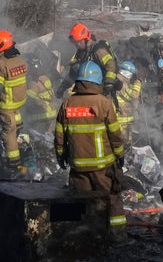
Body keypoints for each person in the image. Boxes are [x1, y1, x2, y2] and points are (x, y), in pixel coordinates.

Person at [54, 60, 127, 241]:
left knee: (81, 203)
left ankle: (84, 239)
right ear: (98, 81)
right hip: (103, 168)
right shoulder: (104, 103)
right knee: (111, 200)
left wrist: (61, 156)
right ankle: (117, 237)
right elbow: (115, 134)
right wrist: (120, 155)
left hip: (78, 167)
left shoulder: (67, 104)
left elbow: (59, 135)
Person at [0, 30, 28, 170]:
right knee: (15, 127)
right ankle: (19, 137)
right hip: (19, 103)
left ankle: (13, 163)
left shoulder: (0, 65)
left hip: (7, 106)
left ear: (0, 47)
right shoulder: (20, 61)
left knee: (8, 133)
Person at [65, 22, 118, 96]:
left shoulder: (98, 50)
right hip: (89, 86)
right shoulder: (81, 52)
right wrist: (63, 86)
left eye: (79, 42)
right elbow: (74, 72)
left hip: (103, 85)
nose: (77, 45)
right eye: (75, 42)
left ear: (86, 39)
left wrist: (108, 83)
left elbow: (111, 65)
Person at [114, 60, 143, 141]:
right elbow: (134, 95)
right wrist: (137, 84)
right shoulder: (120, 82)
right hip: (121, 118)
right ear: (127, 73)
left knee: (128, 138)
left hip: (125, 118)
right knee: (122, 140)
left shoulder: (121, 80)